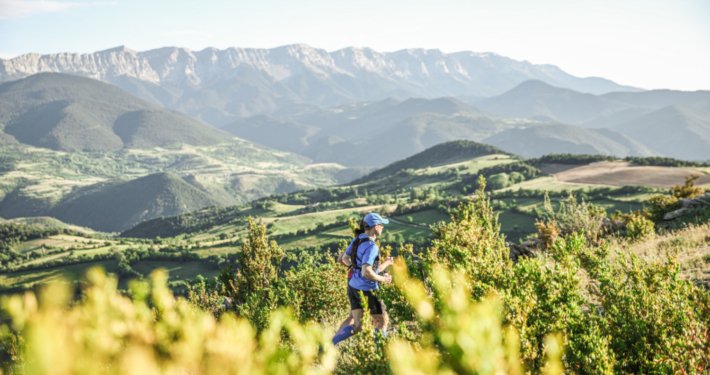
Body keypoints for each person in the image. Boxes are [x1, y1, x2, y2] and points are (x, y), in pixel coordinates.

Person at [332, 212, 393, 345]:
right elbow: (367, 272)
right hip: (368, 289)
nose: (383, 227)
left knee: (357, 326)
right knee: (382, 320)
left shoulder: (358, 239)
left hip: (353, 287)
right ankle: (383, 352)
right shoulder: (372, 247)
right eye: (381, 225)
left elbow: (344, 258)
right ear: (376, 226)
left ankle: (330, 345)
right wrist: (384, 279)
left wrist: (356, 269)